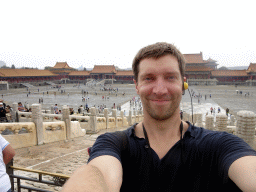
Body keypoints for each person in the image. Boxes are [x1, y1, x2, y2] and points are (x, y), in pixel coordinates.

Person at [62, 42, 256, 192]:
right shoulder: (114, 144)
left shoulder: (220, 145)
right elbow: (98, 173)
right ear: (136, 86)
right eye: (149, 78)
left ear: (183, 84)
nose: (160, 90)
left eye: (170, 77)